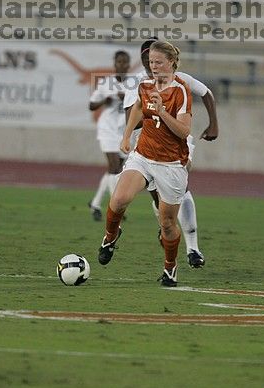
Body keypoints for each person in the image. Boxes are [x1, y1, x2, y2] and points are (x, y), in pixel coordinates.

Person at [98, 40, 192, 287]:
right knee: (118, 200)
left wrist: (162, 112)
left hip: (171, 164)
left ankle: (170, 269)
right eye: (151, 63)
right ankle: (110, 237)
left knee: (167, 223)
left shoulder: (181, 91)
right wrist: (127, 135)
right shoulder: (146, 85)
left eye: (159, 62)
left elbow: (183, 131)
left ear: (171, 62)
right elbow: (139, 106)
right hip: (143, 156)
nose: (154, 67)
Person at [123, 38, 219, 268]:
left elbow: (206, 93)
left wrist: (214, 124)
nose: (151, 63)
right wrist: (154, 111)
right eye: (148, 58)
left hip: (177, 148)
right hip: (146, 152)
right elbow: (131, 118)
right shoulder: (138, 84)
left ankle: (193, 248)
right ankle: (166, 229)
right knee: (161, 203)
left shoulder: (181, 80)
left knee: (181, 189)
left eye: (155, 58)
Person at [88, 50, 131, 221]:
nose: (121, 64)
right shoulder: (106, 83)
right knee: (114, 167)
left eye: (125, 62)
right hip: (107, 129)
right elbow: (91, 105)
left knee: (115, 170)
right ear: (114, 64)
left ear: (129, 64)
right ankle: (116, 208)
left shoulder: (134, 84)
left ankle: (96, 203)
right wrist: (104, 101)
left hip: (123, 131)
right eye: (119, 61)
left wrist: (126, 96)